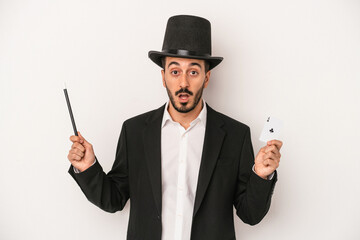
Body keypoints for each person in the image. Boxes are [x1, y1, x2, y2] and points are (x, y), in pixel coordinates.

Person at [67, 15, 283, 240]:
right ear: (163, 77)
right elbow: (114, 200)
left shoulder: (235, 135)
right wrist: (87, 167)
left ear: (206, 77)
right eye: (175, 71)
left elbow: (250, 215)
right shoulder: (135, 131)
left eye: (193, 72)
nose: (183, 83)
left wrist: (261, 175)